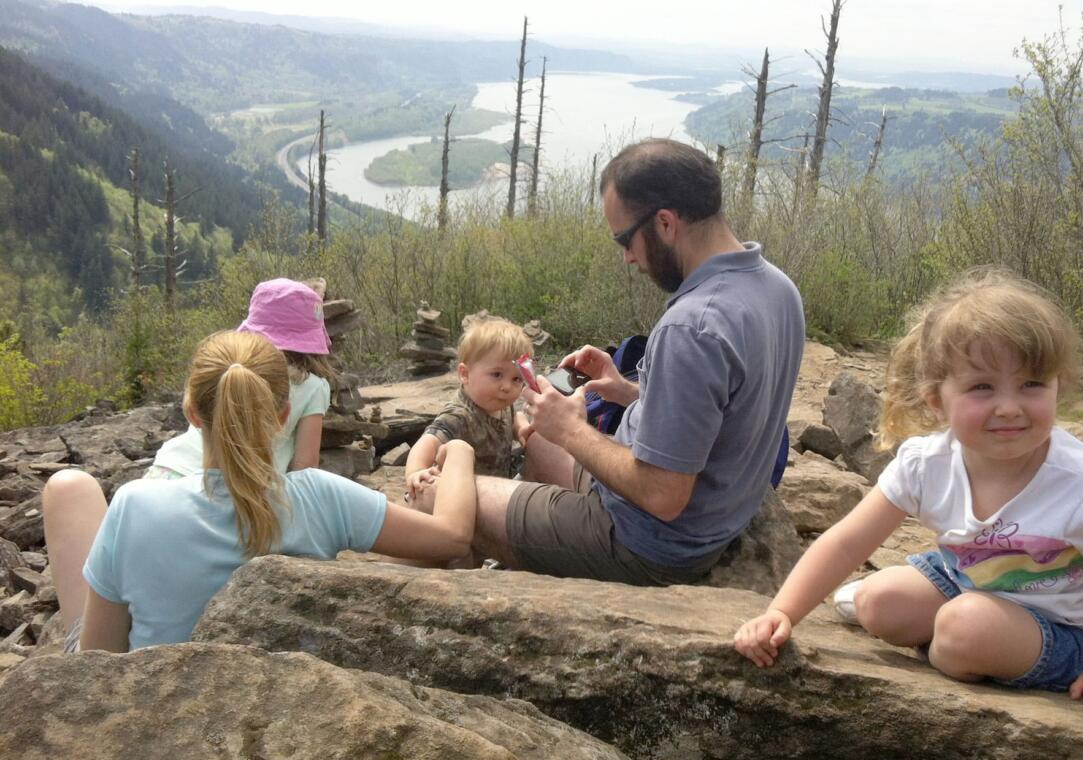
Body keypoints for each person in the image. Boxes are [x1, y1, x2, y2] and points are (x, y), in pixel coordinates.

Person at [734, 269, 1083, 715]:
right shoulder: (928, 463)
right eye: (982, 387)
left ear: (1059, 385)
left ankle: (952, 648)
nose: (1009, 407)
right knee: (876, 602)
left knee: (965, 630)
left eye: (1032, 385)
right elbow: (848, 541)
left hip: (1061, 627)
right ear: (936, 399)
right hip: (965, 578)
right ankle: (953, 635)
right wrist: (783, 613)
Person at [453, 138, 805, 585]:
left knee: (444, 495)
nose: (627, 257)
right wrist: (630, 391)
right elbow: (725, 404)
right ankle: (533, 549)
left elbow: (662, 495)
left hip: (647, 541)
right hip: (704, 514)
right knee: (540, 442)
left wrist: (573, 431)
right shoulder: (777, 288)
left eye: (625, 238)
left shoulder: (692, 325)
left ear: (664, 223)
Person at [43, 330, 476, 653]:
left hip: (155, 703)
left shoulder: (136, 504)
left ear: (192, 413)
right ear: (284, 415)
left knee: (68, 486)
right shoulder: (320, 497)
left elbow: (100, 662)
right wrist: (457, 449)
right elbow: (453, 536)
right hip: (265, 706)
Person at [148, 278, 334, 478]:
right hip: (241, 488)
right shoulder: (313, 387)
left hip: (170, 469)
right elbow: (306, 469)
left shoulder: (227, 366)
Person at [404, 316, 532, 502]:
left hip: (496, 489)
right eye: (497, 375)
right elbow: (427, 442)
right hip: (464, 498)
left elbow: (514, 417)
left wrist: (520, 427)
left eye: (517, 379)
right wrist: (416, 472)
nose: (507, 386)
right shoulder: (459, 415)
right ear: (465, 374)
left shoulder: (501, 403)